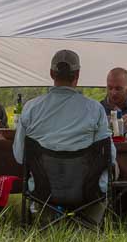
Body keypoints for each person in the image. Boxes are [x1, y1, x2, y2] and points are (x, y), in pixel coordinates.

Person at [13, 49, 116, 221]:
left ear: (51, 73)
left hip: (43, 189)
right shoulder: (94, 109)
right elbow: (109, 156)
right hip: (86, 190)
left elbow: (19, 156)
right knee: (113, 167)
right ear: (78, 74)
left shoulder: (31, 108)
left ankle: (45, 219)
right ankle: (89, 222)